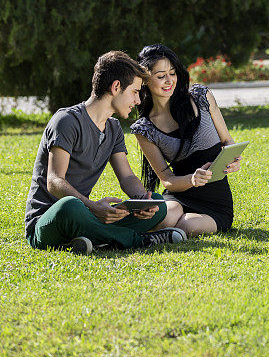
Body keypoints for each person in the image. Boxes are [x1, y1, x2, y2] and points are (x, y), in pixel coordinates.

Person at [25, 51, 187, 255]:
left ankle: (94, 240)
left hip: (86, 215)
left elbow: (127, 177)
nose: (138, 100)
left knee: (159, 204)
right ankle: (138, 241)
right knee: (71, 207)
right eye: (135, 92)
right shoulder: (66, 121)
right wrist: (93, 207)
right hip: (49, 220)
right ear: (116, 87)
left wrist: (142, 200)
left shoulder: (113, 128)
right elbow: (55, 181)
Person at [131, 44, 241, 236]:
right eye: (160, 76)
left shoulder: (201, 97)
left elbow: (227, 141)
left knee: (187, 225)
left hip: (215, 202)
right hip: (178, 194)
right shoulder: (145, 129)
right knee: (165, 217)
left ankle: (153, 238)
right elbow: (168, 180)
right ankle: (116, 237)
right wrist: (192, 179)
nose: (169, 81)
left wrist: (233, 160)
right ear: (145, 81)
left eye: (172, 73)